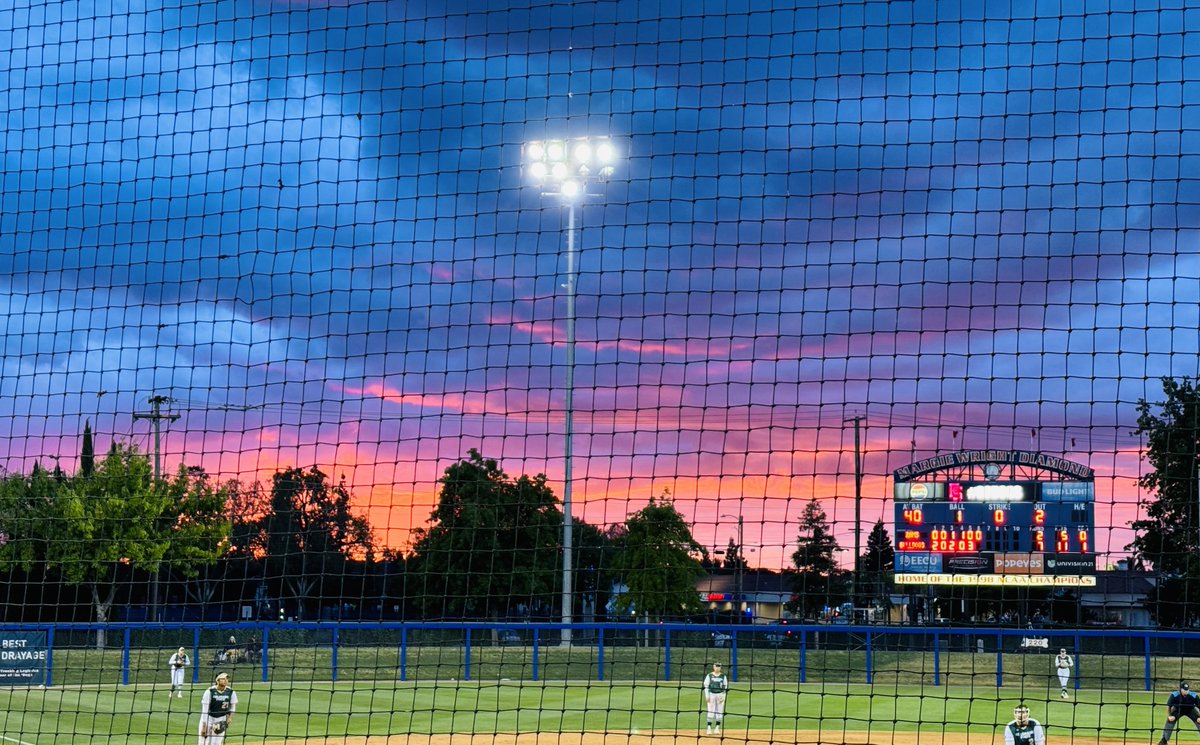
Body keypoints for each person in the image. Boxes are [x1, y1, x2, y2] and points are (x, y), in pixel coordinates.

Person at [198, 672, 238, 745]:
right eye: (223, 679)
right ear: (217, 680)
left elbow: (233, 706)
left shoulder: (231, 692)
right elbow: (205, 710)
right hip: (208, 718)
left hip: (221, 719)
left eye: (227, 679)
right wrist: (204, 726)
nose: (226, 680)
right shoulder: (209, 691)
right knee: (203, 742)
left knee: (217, 743)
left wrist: (230, 718)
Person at [702, 662, 729, 735]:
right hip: (711, 695)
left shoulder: (723, 676)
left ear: (720, 667)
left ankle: (717, 728)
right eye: (716, 666)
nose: (717, 668)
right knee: (711, 711)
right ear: (713, 667)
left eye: (719, 666)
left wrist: (723, 696)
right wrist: (707, 696)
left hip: (720, 695)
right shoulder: (709, 675)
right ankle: (709, 728)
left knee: (719, 711)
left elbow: (725, 686)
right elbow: (706, 686)